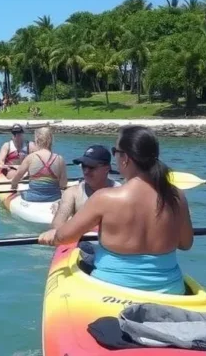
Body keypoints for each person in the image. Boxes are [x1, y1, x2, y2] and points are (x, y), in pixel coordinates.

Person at [38, 125, 194, 295]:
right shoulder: (177, 196)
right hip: (170, 290)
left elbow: (64, 236)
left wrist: (52, 236)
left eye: (115, 151)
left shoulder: (105, 198)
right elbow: (185, 244)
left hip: (113, 289)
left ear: (125, 158)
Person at [49, 144, 118, 229]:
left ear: (107, 168)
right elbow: (57, 225)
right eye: (84, 166)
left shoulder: (122, 192)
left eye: (91, 167)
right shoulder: (72, 194)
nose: (86, 171)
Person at [8, 127, 67, 203]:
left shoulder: (31, 157)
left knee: (20, 193)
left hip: (33, 197)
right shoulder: (60, 159)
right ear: (51, 140)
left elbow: (16, 178)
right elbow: (63, 183)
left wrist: (14, 188)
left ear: (37, 140)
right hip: (55, 197)